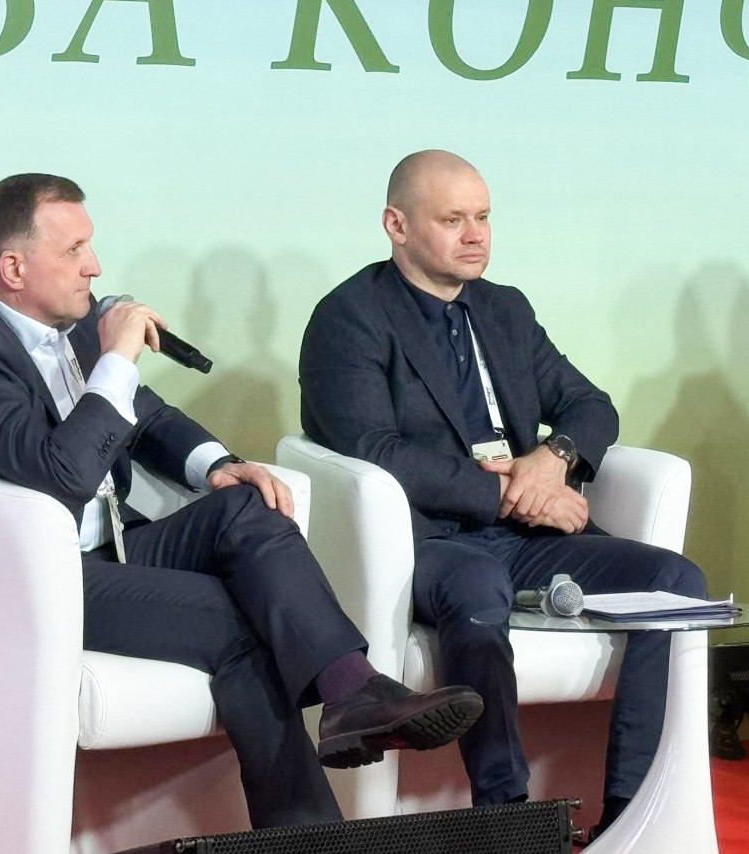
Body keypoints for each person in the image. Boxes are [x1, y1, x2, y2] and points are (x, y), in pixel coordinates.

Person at [0, 173, 484, 829]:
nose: (94, 266)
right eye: (74, 250)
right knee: (241, 620)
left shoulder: (66, 324)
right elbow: (63, 476)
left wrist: (220, 467)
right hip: (36, 581)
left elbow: (146, 418)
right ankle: (308, 830)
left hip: (109, 546)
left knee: (247, 506)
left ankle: (355, 693)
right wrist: (119, 359)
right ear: (14, 268)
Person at [298, 150, 707, 833]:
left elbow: (590, 405)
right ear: (397, 225)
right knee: (477, 588)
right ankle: (506, 816)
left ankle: (628, 816)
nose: (475, 235)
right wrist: (513, 493)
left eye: (483, 217)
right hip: (430, 540)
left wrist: (553, 459)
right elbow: (374, 450)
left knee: (675, 582)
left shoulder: (504, 309)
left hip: (527, 536)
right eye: (452, 220)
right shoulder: (351, 317)